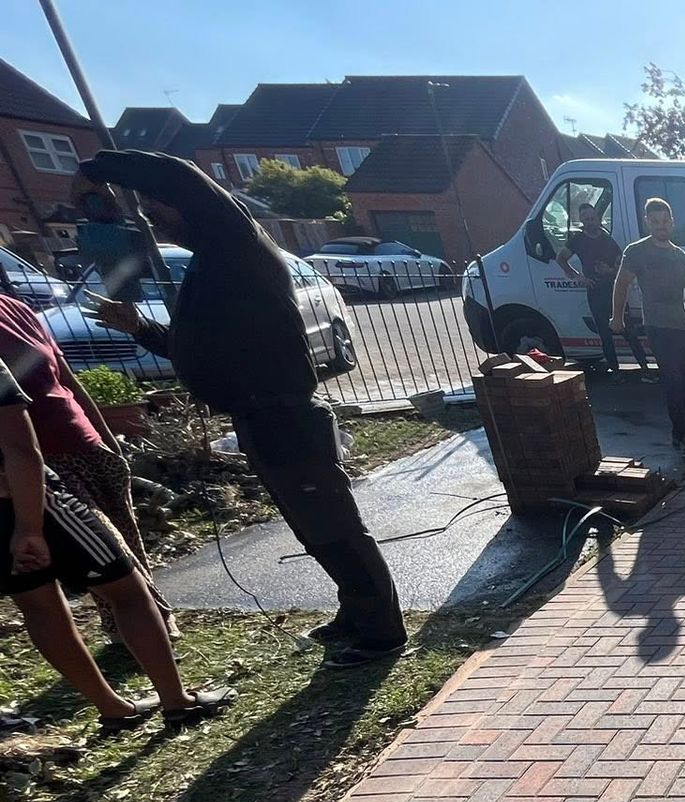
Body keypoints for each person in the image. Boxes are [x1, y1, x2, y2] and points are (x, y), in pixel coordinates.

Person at [74, 149, 405, 666]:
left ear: (190, 205)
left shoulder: (235, 242)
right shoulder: (210, 266)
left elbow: (181, 176)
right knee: (311, 528)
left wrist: (98, 171)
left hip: (285, 417)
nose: (151, 216)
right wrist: (140, 328)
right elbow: (198, 349)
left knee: (336, 528)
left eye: (157, 206)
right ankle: (357, 610)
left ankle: (383, 633)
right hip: (259, 419)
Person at [1, 349, 231, 729]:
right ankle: (177, 701)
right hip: (35, 501)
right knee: (128, 591)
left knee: (38, 606)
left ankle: (114, 709)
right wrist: (29, 528)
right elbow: (20, 448)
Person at [0, 291, 175, 639]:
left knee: (127, 536)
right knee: (110, 549)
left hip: (87, 444)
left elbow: (66, 381)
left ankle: (124, 628)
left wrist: (108, 440)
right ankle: (153, 618)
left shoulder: (15, 309)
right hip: (43, 460)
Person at [610, 197, 685, 459]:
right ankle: (682, 437)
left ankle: (681, 434)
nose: (661, 226)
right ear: (647, 222)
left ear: (672, 222)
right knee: (673, 380)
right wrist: (617, 317)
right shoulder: (637, 251)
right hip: (658, 326)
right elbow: (621, 283)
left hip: (682, 326)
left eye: (665, 221)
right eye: (656, 221)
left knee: (684, 382)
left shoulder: (679, 255)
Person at [559, 202, 646, 373]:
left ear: (598, 218)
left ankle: (645, 369)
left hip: (614, 292)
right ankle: (615, 372)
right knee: (605, 336)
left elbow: (622, 263)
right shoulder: (577, 240)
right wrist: (577, 277)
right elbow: (561, 258)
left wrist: (611, 271)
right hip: (595, 292)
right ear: (582, 221)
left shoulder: (607, 240)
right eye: (586, 219)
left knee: (629, 332)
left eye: (592, 218)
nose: (590, 222)